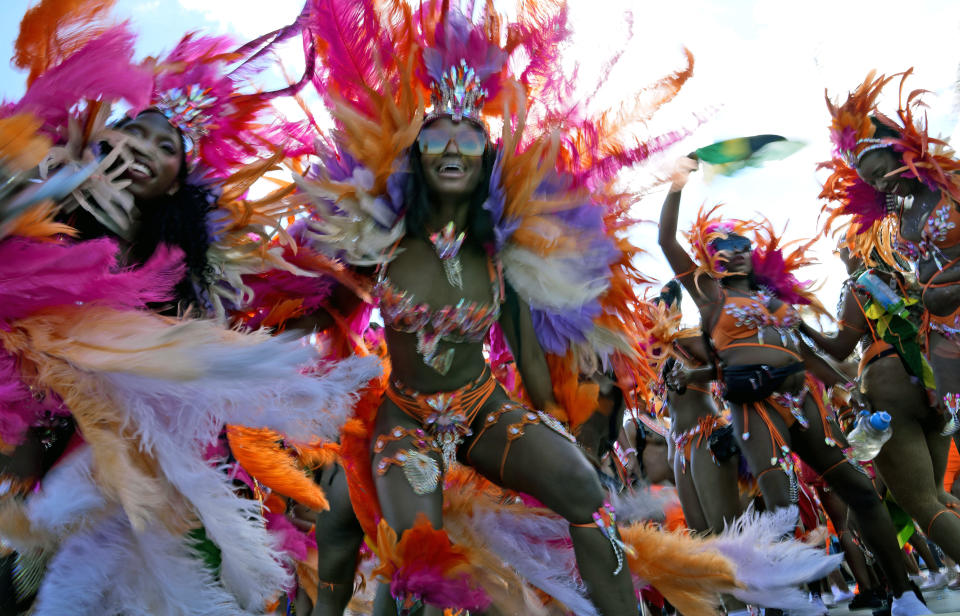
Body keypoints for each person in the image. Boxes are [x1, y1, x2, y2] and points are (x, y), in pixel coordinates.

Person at [658, 157, 930, 615]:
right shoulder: (710, 294)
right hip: (755, 408)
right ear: (708, 254)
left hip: (804, 400)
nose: (736, 249)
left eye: (743, 242)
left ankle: (904, 596)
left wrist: (845, 389)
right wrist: (676, 184)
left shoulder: (774, 298)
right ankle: (783, 606)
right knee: (782, 510)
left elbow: (808, 355)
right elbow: (666, 240)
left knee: (860, 489)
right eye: (723, 243)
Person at [799, 246, 960, 567]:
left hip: (890, 386)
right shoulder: (910, 278)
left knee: (920, 502)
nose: (841, 251)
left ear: (861, 249)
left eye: (844, 245)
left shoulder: (861, 283)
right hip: (935, 387)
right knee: (938, 495)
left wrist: (800, 329)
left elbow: (842, 348)